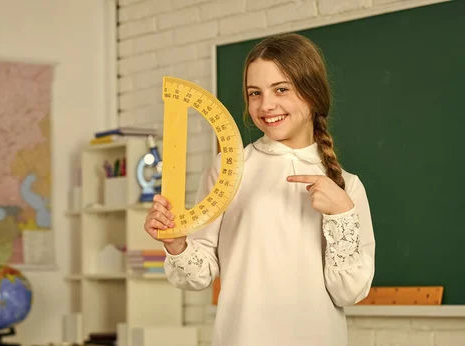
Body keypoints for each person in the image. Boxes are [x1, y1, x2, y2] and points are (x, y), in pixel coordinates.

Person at [143, 32, 375, 346]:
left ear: (312, 93)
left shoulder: (347, 187)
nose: (266, 105)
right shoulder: (228, 168)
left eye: (281, 89)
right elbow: (196, 277)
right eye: (255, 93)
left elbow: (348, 292)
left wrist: (341, 216)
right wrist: (176, 244)